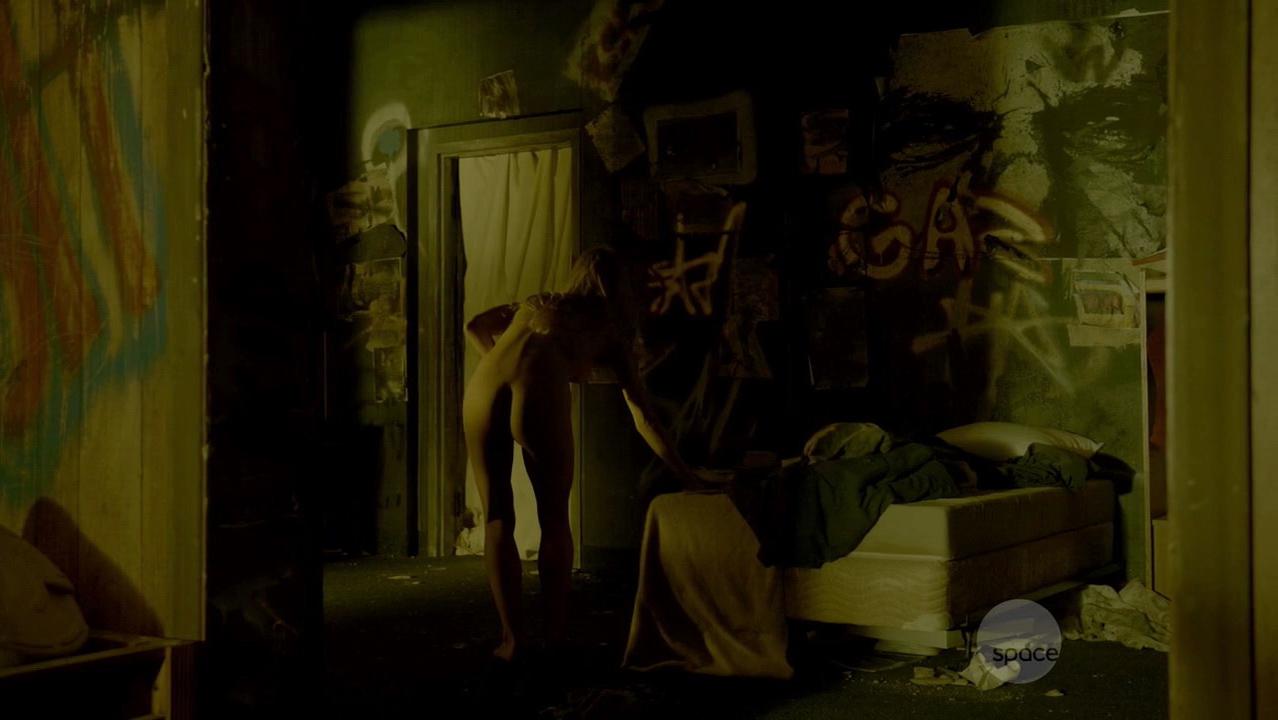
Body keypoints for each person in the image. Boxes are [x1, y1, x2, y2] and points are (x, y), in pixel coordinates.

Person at [461, 245, 697, 670]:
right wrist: (685, 473)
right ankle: (554, 637)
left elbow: (474, 325)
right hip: (537, 391)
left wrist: (499, 365)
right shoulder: (608, 328)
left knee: (496, 517)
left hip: (482, 388)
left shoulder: (537, 302)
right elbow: (643, 416)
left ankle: (511, 640)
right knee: (554, 520)